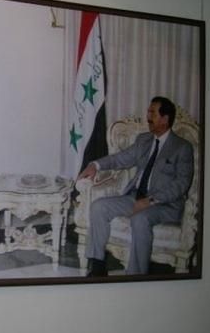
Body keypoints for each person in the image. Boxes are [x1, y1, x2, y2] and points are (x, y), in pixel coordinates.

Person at [78, 96, 194, 276]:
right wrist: (95, 165)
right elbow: (120, 159)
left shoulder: (182, 147)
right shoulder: (144, 140)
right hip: (135, 197)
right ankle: (98, 265)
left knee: (140, 219)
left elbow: (181, 184)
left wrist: (151, 200)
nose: (148, 117)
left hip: (165, 205)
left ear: (165, 119)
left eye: (152, 113)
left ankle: (136, 276)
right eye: (148, 112)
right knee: (98, 207)